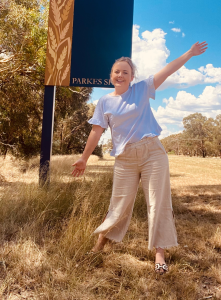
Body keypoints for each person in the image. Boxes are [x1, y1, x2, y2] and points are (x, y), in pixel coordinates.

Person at [71, 41, 208, 274]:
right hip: (124, 158)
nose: (120, 75)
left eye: (126, 72)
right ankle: (99, 245)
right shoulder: (104, 101)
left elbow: (168, 68)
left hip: (152, 152)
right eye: (117, 71)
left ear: (132, 76)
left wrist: (189, 53)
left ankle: (159, 254)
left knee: (157, 203)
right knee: (118, 204)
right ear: (111, 75)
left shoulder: (142, 88)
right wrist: (84, 158)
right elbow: (96, 131)